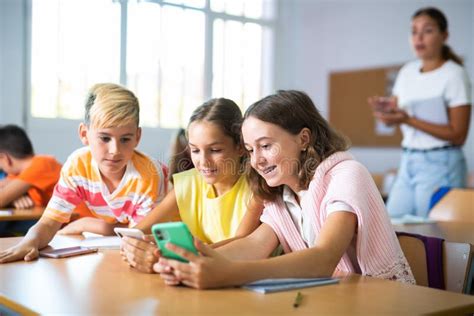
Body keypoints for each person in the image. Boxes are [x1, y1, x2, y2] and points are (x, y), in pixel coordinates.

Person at [152, 90, 415, 289]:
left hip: (381, 300)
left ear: (303, 139)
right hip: (332, 300)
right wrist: (187, 260)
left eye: (266, 146)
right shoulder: (281, 193)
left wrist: (227, 273)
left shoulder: (346, 175)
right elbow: (252, 245)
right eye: (251, 149)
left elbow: (324, 258)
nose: (256, 160)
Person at [0, 83, 168, 263]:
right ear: (84, 134)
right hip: (118, 230)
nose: (115, 150)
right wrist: (30, 241)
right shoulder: (77, 166)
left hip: (165, 235)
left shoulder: (148, 174)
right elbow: (49, 222)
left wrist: (87, 224)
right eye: (105, 138)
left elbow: (136, 240)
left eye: (125, 139)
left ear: (137, 137)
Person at [121, 98, 263, 273]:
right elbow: (138, 232)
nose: (203, 161)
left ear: (241, 147)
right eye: (195, 150)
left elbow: (241, 243)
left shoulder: (257, 188)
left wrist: (165, 255)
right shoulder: (188, 184)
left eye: (215, 150)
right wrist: (137, 246)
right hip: (199, 275)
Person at [368, 7, 471, 218]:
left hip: (442, 161)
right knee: (391, 224)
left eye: (428, 30)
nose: (419, 37)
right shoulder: (407, 72)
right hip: (408, 160)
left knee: (432, 232)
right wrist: (385, 113)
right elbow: (393, 119)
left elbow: (459, 135)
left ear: (444, 35)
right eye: (414, 31)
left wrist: (409, 120)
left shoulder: (454, 74)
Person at [0, 125, 62, 209]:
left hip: (77, 219)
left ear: (4, 158)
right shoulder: (20, 173)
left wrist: (9, 198)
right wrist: (13, 198)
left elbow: (1, 199)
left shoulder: (41, 164)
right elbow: (2, 186)